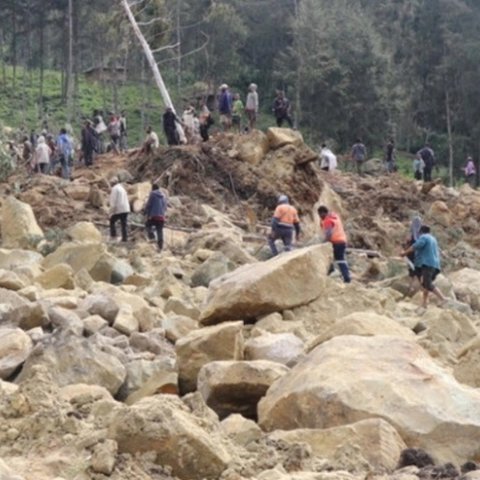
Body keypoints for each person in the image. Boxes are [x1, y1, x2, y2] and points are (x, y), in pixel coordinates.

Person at [401, 225, 446, 310]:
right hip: (435, 265)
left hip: (427, 263)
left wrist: (404, 253)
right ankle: (424, 303)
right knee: (425, 284)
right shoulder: (433, 239)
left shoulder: (423, 237)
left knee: (427, 283)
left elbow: (415, 246)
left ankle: (443, 298)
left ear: (421, 232)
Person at [318, 206, 351, 283]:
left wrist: (325, 241)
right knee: (338, 258)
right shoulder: (335, 217)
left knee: (338, 259)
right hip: (342, 240)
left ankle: (346, 277)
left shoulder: (328, 220)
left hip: (336, 242)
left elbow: (329, 233)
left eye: (320, 215)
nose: (320, 217)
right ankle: (342, 274)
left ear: (323, 213)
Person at [144, 183, 167, 250]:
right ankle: (160, 246)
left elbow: (149, 204)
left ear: (153, 188)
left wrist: (145, 212)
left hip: (154, 216)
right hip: (161, 217)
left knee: (147, 225)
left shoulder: (152, 194)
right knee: (160, 231)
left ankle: (152, 237)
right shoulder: (164, 195)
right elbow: (165, 207)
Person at [404, 214, 423, 295]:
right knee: (419, 272)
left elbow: (406, 244)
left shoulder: (410, 234)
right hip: (418, 256)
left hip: (410, 255)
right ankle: (420, 289)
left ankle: (410, 288)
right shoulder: (422, 235)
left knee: (412, 272)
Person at [109, 177, 130, 243]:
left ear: (113, 183)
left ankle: (113, 236)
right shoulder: (122, 188)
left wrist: (111, 212)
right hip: (126, 208)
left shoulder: (115, 189)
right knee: (124, 224)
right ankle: (125, 238)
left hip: (119, 209)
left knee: (112, 221)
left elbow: (113, 201)